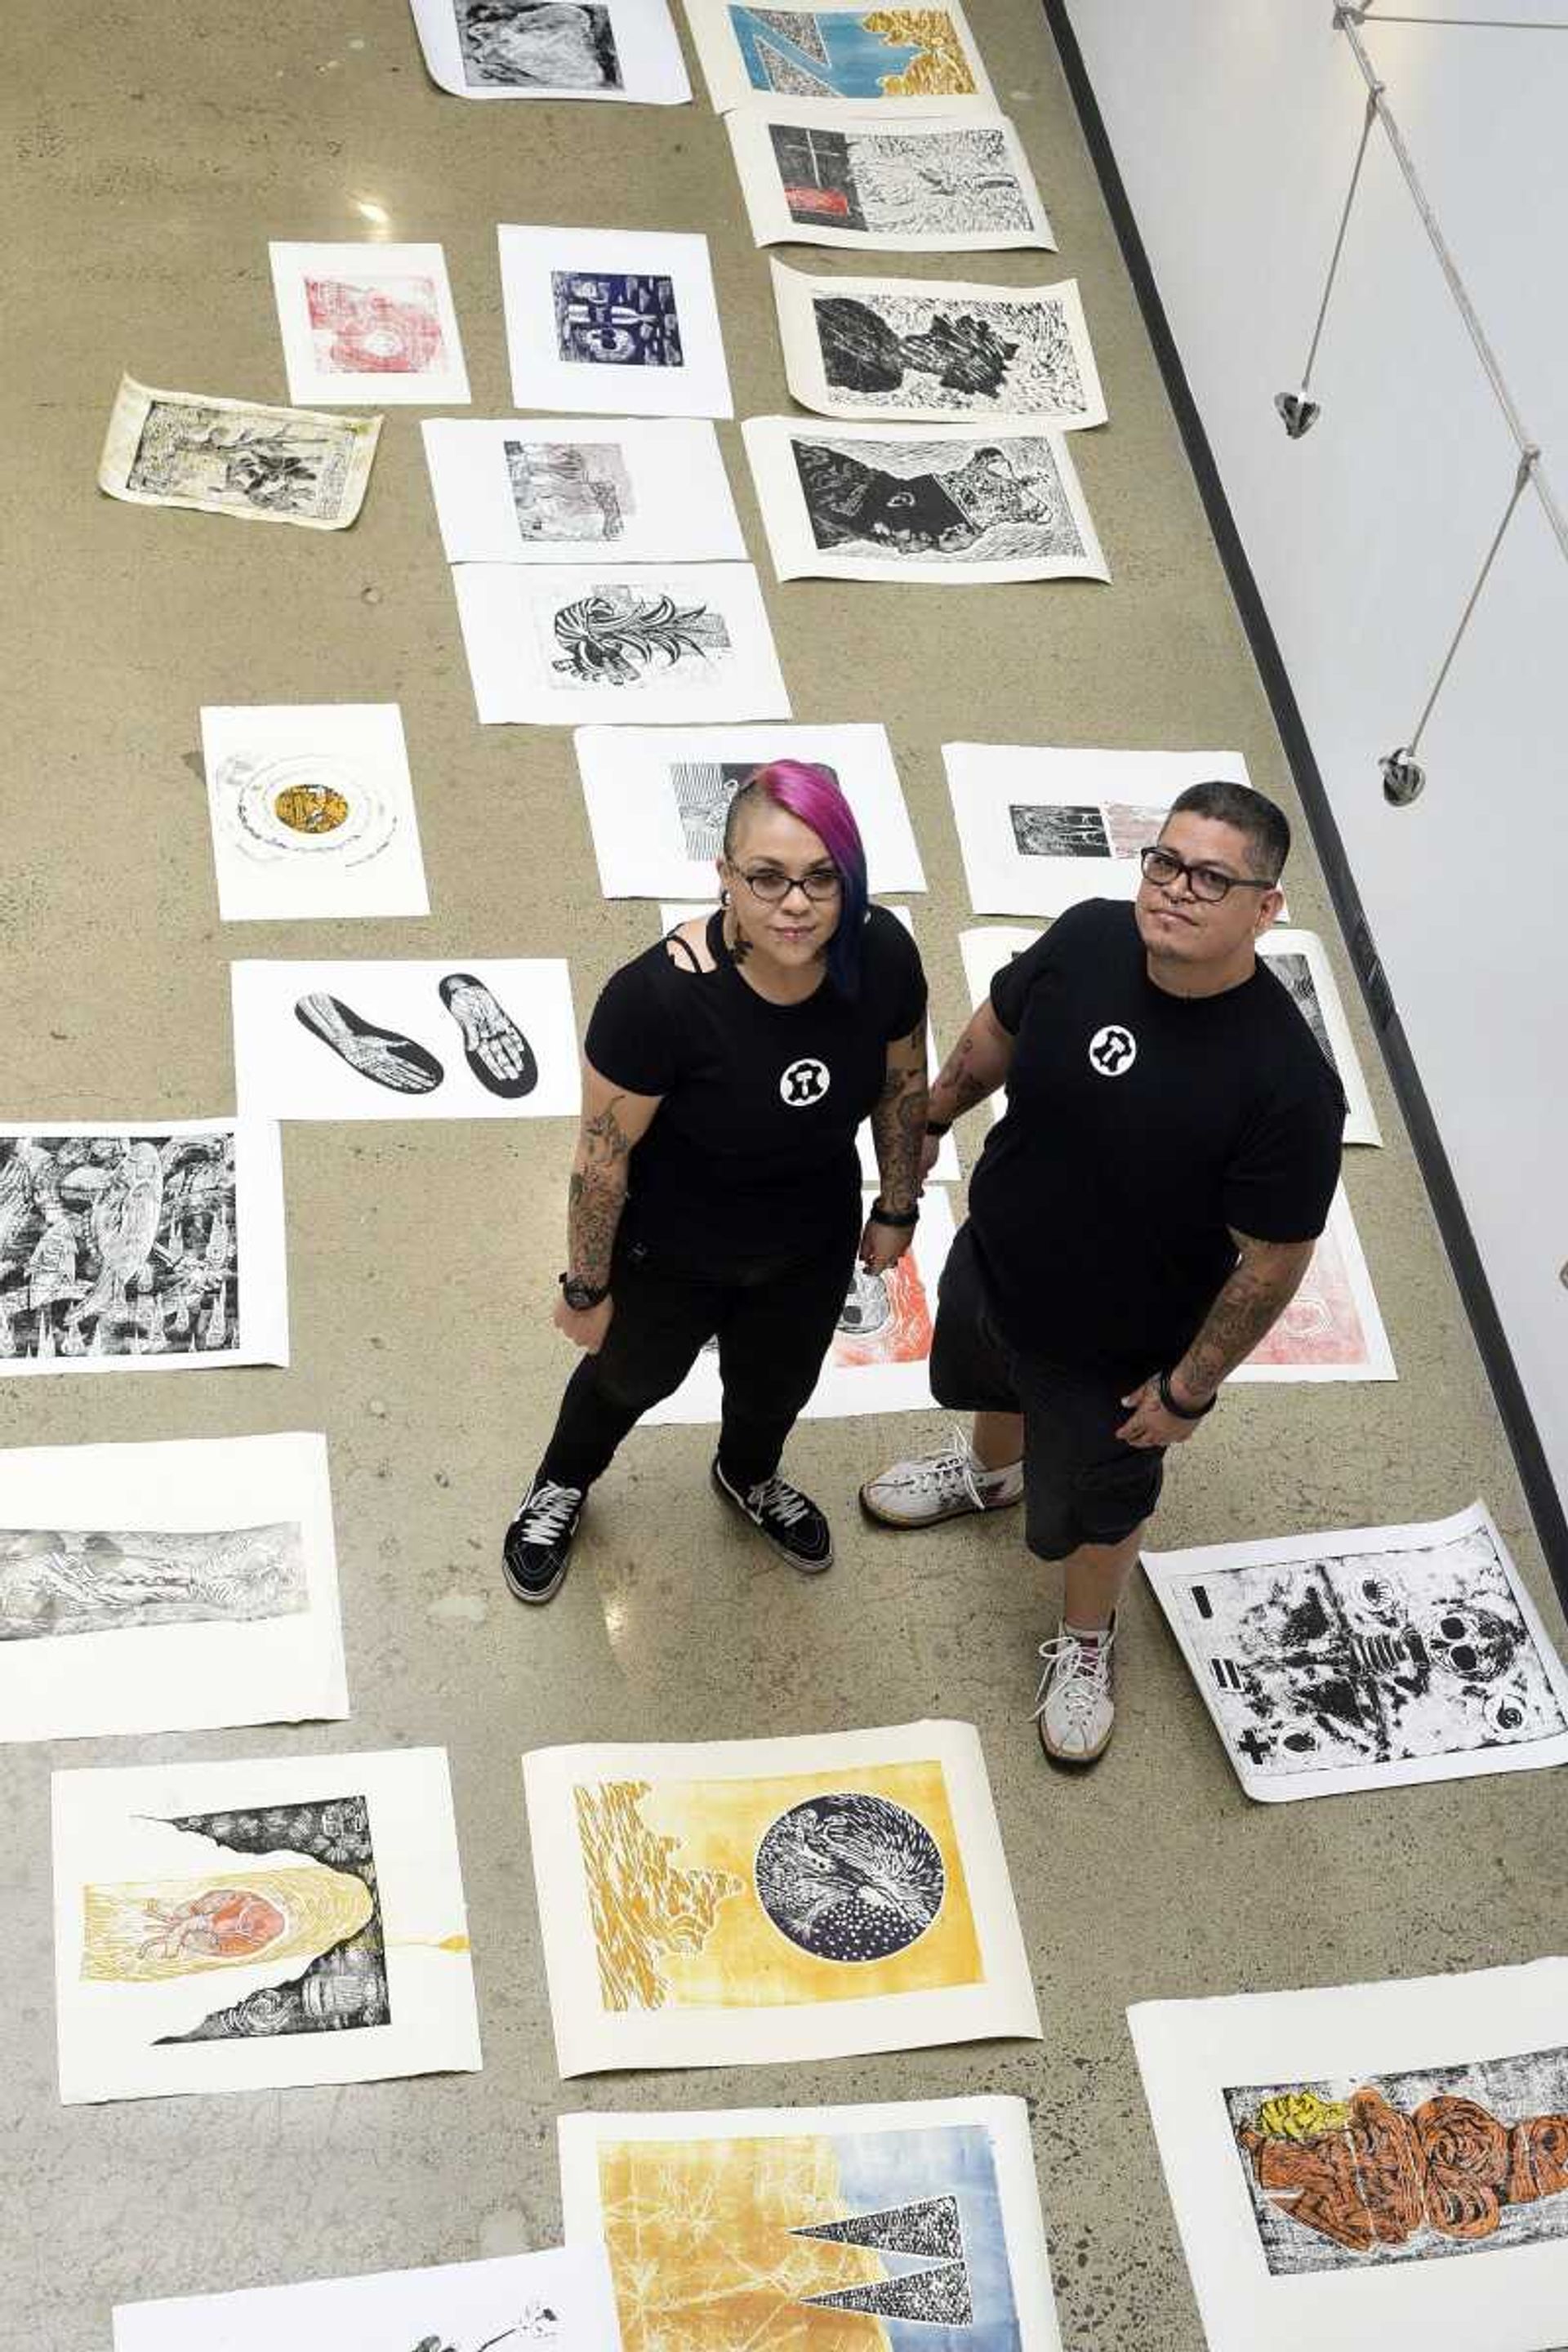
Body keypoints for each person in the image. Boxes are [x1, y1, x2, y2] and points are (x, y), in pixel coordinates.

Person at [861, 779, 1346, 1767]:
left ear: (1266, 908)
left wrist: (1186, 1393)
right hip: (997, 1264)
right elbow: (991, 1036)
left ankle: (1087, 1640)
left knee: (1101, 1503)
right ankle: (987, 1473)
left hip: (1120, 1350)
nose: (1175, 889)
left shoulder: (1288, 1084)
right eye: (1164, 862)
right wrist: (929, 1132)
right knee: (986, 1381)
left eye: (1211, 878)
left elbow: (1272, 1264)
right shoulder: (1085, 938)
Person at [503, 760, 929, 1604]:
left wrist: (897, 1203)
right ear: (725, 878)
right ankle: (561, 1483)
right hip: (676, 1247)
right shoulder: (654, 999)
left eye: (821, 878)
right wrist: (587, 1287)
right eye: (767, 878)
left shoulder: (881, 957)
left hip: (806, 1239)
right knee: (628, 1381)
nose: (797, 904)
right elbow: (601, 1160)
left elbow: (901, 1085)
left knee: (777, 1386)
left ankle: (749, 1476)